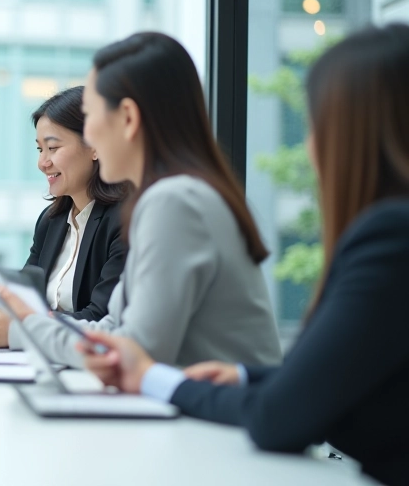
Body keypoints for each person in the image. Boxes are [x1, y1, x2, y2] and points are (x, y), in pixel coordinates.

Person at [80, 24, 409, 486]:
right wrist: (247, 377)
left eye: (315, 124)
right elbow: (333, 380)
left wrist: (154, 377)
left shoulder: (390, 239)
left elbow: (280, 418)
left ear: (353, 136)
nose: (308, 147)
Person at [0, 32, 282, 369]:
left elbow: (132, 353)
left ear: (129, 119)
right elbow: (112, 329)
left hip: (213, 417)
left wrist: (23, 329)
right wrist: (26, 326)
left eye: (91, 118)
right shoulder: (174, 196)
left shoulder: (175, 203)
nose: (89, 137)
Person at [0, 87, 129, 348]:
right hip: (41, 355)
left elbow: (100, 317)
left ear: (94, 147)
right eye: (39, 150)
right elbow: (23, 301)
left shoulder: (124, 221)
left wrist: (20, 330)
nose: (42, 162)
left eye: (53, 148)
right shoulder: (51, 221)